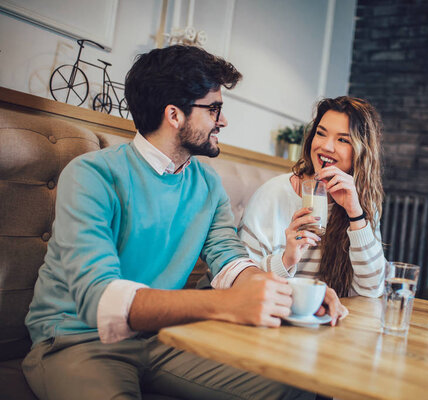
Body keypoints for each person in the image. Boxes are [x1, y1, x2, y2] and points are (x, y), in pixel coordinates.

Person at [22, 45, 340, 400]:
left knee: (296, 388)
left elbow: (231, 262)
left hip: (165, 337)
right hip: (76, 339)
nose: (223, 121)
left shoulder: (206, 183)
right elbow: (99, 298)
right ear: (174, 115)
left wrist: (293, 294)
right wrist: (227, 306)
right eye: (214, 109)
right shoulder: (92, 175)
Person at [239, 96, 386, 299]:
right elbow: (240, 281)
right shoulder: (273, 195)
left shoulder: (361, 205)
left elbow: (372, 290)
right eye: (321, 134)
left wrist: (355, 214)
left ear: (361, 153)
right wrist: (286, 260)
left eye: (343, 140)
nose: (326, 146)